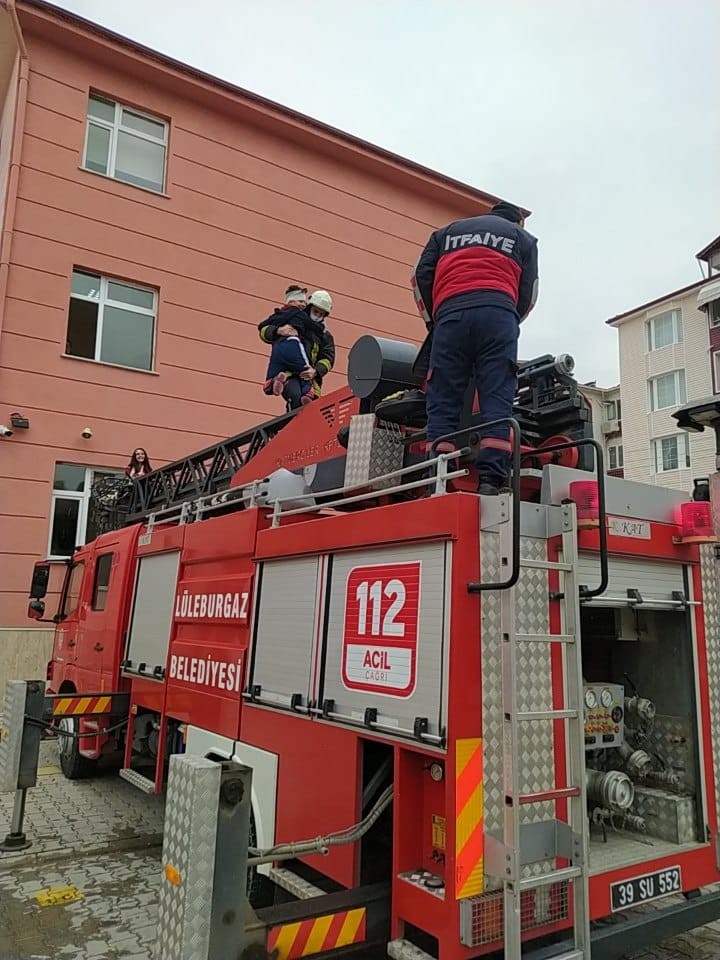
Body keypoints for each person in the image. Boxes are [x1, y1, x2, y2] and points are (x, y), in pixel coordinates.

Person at [412, 201, 539, 494]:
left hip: (450, 316)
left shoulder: (445, 233)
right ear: (518, 221)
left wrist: (438, 317)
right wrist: (508, 315)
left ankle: (440, 477)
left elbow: (420, 278)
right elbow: (529, 291)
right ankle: (491, 481)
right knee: (497, 396)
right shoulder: (523, 238)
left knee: (443, 395)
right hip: (499, 314)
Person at [259, 288, 336, 410]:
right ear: (309, 307)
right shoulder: (294, 318)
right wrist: (278, 330)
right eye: (316, 311)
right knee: (295, 398)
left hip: (310, 379)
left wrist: (315, 371)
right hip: (288, 374)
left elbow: (328, 359)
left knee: (313, 409)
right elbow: (264, 331)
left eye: (321, 314)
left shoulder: (325, 335)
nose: (318, 316)